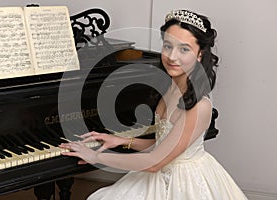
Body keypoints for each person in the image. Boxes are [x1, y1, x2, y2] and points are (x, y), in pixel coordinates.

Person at [60, 9, 248, 200]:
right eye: (168, 46)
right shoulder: (170, 87)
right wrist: (122, 141)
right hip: (157, 167)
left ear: (200, 55)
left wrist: (96, 157)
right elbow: (163, 144)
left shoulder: (200, 106)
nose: (172, 57)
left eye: (184, 49)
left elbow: (154, 162)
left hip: (181, 182)